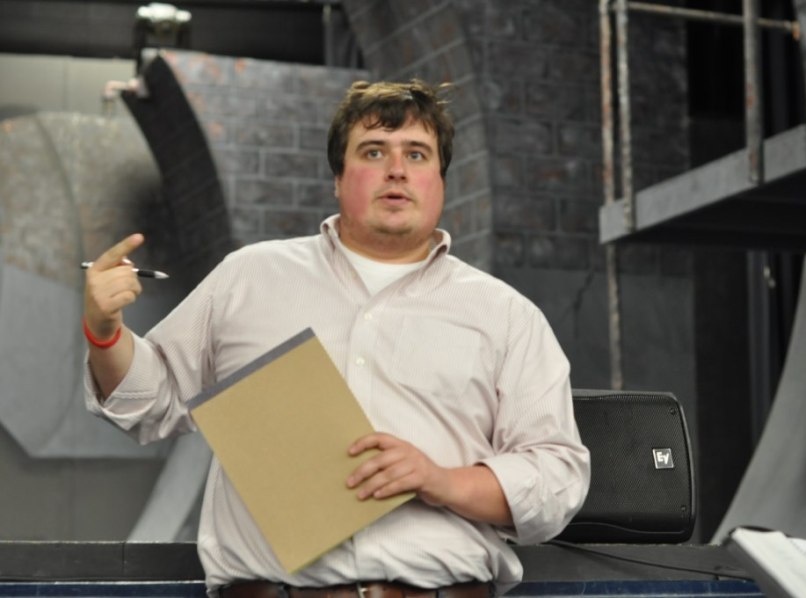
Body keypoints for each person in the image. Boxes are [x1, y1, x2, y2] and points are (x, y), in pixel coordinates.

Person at [83, 79, 590, 598]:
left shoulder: (505, 315)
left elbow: (556, 476)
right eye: (374, 151)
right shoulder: (250, 277)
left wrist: (442, 480)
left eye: (417, 154)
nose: (397, 169)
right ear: (338, 177)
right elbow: (151, 402)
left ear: (441, 178)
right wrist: (104, 333)